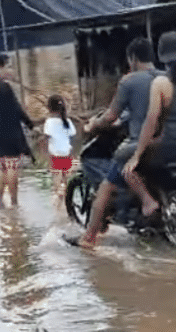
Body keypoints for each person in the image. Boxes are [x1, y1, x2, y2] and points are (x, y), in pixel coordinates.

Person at [66, 37, 162, 249]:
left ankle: (88, 239)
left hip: (141, 146)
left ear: (133, 58)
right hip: (168, 143)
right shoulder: (166, 78)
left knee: (106, 185)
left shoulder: (129, 81)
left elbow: (111, 116)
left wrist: (93, 124)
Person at [124, 31, 176, 202]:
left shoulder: (161, 83)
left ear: (160, 56)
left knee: (127, 163)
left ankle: (149, 203)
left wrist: (136, 155)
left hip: (175, 150)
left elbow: (151, 122)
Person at [0, 54, 35, 207]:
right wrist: (30, 125)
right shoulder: (4, 87)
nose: (12, 70)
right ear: (0, 67)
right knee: (12, 167)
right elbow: (16, 109)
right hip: (9, 132)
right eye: (9, 67)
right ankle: (14, 203)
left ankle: (0, 202)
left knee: (2, 168)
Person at [42, 94, 76, 213]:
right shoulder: (68, 122)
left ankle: (58, 209)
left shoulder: (49, 122)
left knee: (57, 183)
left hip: (55, 156)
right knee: (65, 183)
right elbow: (72, 137)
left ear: (49, 108)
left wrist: (46, 156)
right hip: (67, 155)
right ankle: (66, 206)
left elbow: (46, 139)